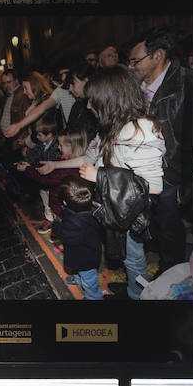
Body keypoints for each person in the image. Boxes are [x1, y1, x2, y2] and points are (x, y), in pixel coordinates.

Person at [72, 66, 164, 299]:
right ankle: (134, 288)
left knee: (134, 260)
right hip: (116, 210)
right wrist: (54, 166)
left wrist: (101, 176)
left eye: (93, 100)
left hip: (131, 216)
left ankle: (139, 295)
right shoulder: (111, 126)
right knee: (127, 258)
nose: (89, 106)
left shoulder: (141, 132)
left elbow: (153, 189)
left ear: (110, 100)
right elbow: (90, 156)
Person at [129, 26, 193, 272]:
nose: (131, 66)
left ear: (157, 56)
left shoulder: (187, 83)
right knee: (155, 226)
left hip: (170, 173)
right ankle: (164, 269)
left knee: (169, 228)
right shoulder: (136, 87)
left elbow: (191, 138)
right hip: (146, 170)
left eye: (136, 60)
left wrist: (180, 179)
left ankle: (173, 276)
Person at [50, 177, 104, 300]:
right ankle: (79, 280)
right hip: (85, 251)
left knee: (89, 281)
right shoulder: (90, 212)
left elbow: (64, 235)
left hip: (86, 259)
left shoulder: (75, 224)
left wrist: (55, 225)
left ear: (64, 202)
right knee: (79, 271)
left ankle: (93, 297)